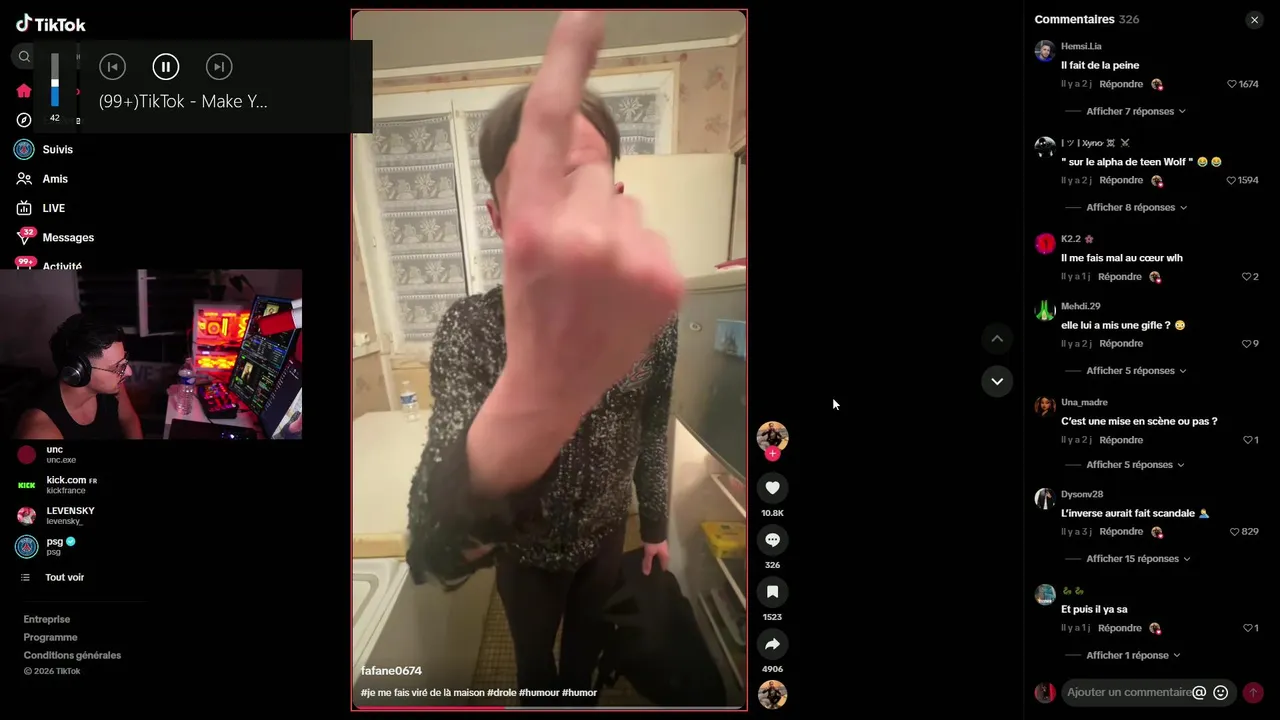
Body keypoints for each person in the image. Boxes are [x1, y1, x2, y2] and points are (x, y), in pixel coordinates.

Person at [405, 12, 682, 708]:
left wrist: (653, 527)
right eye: (533, 190)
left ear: (614, 196)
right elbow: (434, 546)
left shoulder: (651, 318)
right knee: (535, 671)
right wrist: (535, 395)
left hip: (605, 540)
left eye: (578, 180)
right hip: (524, 560)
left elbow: (653, 427)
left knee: (584, 667)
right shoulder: (469, 328)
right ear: (498, 219)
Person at [13, 314, 143, 440]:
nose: (128, 372)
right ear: (78, 371)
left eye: (124, 362)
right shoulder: (40, 431)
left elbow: (129, 420)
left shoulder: (114, 385)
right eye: (117, 367)